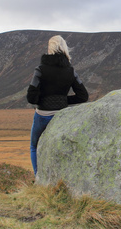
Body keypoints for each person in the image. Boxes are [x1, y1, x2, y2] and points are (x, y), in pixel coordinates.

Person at [26, 35, 88, 175]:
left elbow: (31, 97)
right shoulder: (71, 71)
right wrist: (64, 100)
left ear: (50, 48)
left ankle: (39, 178)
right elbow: (83, 96)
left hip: (42, 116)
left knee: (34, 147)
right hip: (62, 117)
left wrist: (43, 100)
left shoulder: (40, 70)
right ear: (65, 48)